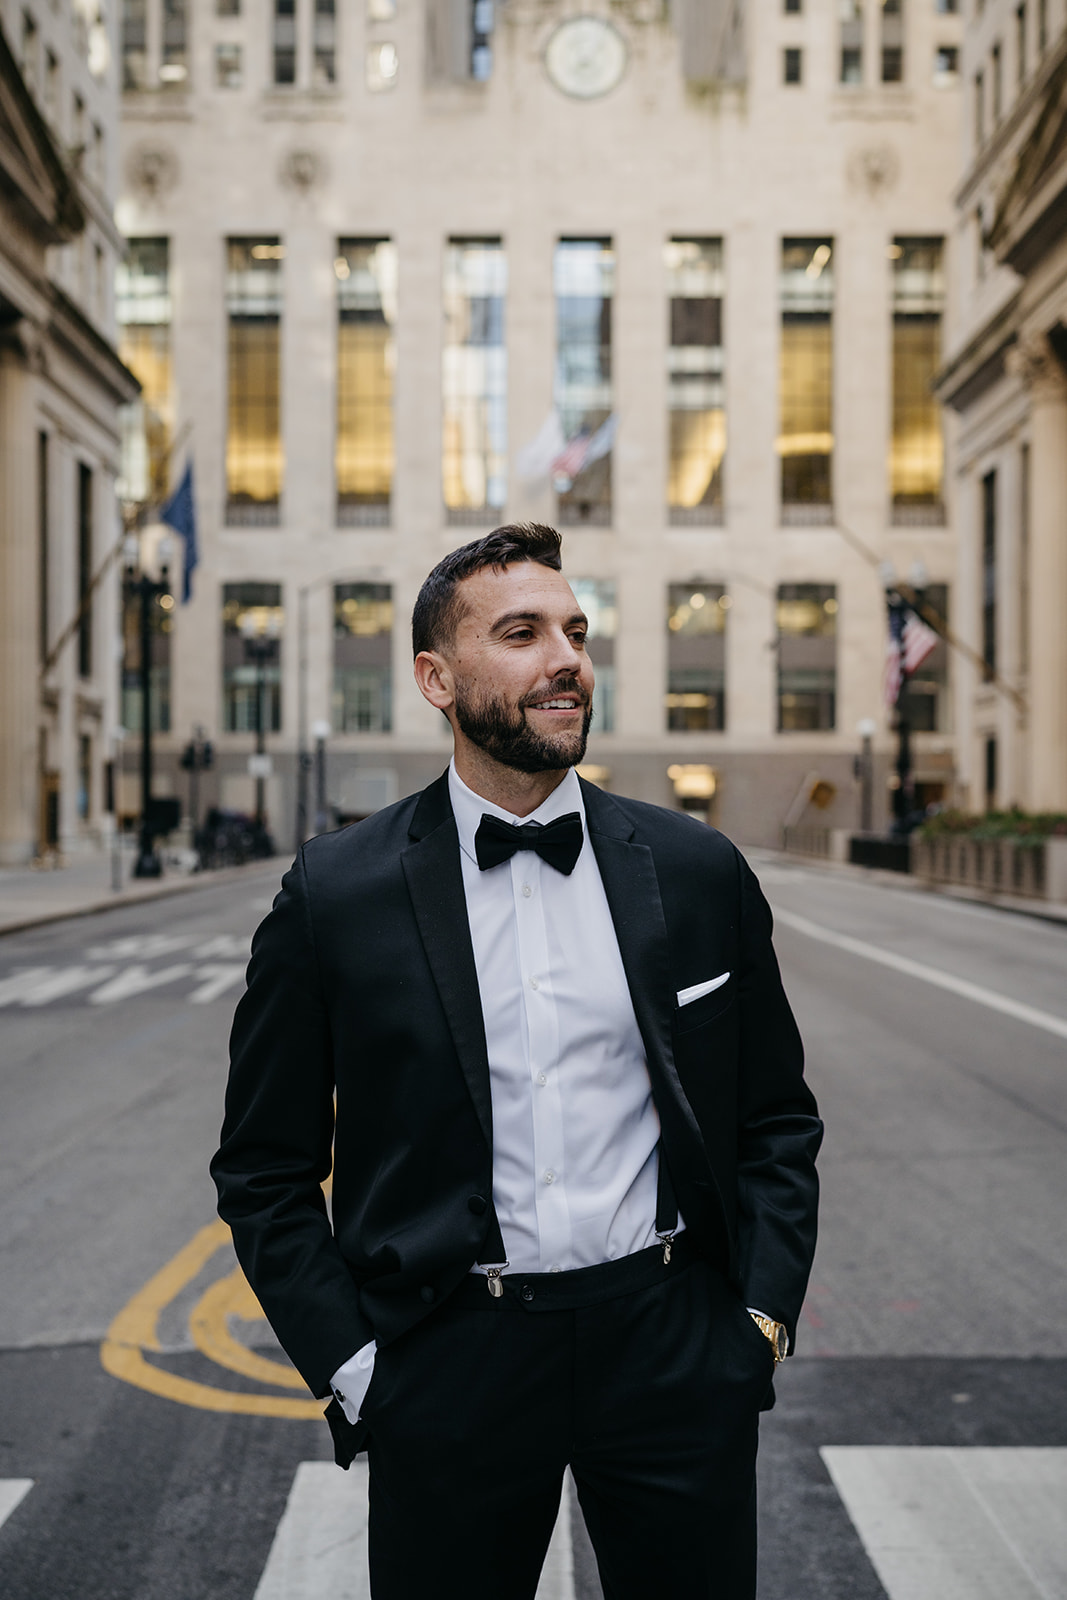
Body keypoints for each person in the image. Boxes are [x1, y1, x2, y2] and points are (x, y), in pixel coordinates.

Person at [211, 523, 822, 1600]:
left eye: (575, 632)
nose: (565, 659)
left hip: (670, 1347)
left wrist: (756, 1323)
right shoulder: (335, 894)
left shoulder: (695, 870)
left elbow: (773, 1119)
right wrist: (359, 1370)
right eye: (522, 632)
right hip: (450, 1359)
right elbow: (263, 1165)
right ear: (436, 679)